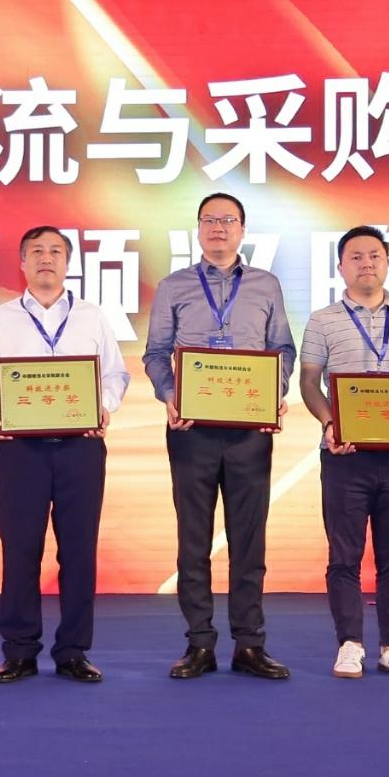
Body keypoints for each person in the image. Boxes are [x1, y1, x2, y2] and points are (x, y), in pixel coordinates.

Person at [142, 191, 298, 681]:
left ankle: (250, 643)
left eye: (228, 220)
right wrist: (170, 395)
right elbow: (156, 353)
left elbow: (283, 349)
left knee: (249, 539)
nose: (218, 228)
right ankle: (199, 643)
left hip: (250, 430)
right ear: (198, 229)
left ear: (242, 230)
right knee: (194, 539)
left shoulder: (266, 284)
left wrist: (274, 391)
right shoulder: (174, 286)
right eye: (209, 220)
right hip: (192, 430)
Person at [0, 226, 129, 683]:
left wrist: (104, 406)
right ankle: (20, 651)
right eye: (37, 251)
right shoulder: (2, 317)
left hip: (81, 448)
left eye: (56, 251)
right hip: (20, 451)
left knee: (79, 551)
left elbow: (116, 375)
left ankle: (73, 651)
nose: (46, 258)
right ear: (22, 262)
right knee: (20, 551)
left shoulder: (92, 316)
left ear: (68, 261)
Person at [297, 226, 389, 680]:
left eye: (374, 255)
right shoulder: (322, 319)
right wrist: (330, 423)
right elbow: (309, 382)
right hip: (345, 455)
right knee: (344, 556)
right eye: (356, 256)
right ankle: (350, 644)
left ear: (387, 263)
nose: (366, 263)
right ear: (341, 266)